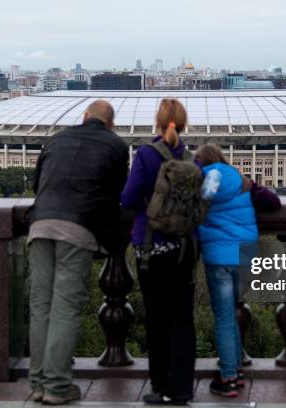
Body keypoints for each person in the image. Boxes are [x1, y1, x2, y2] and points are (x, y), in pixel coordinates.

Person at [27, 100, 129, 405]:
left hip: (40, 225)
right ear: (110, 124)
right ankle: (57, 387)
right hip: (78, 228)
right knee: (66, 307)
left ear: (84, 117)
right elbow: (116, 194)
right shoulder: (115, 145)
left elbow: (37, 184)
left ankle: (37, 383)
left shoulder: (56, 139)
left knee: (40, 306)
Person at [121, 98, 197, 406]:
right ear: (182, 123)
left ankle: (160, 387)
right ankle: (181, 388)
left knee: (157, 318)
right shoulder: (192, 158)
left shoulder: (146, 155)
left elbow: (127, 198)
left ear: (158, 122)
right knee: (182, 318)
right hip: (185, 248)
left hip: (151, 248)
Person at [195, 144, 281, 397]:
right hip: (244, 256)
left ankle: (228, 377)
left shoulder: (207, 179)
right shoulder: (242, 180)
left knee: (223, 318)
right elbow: (272, 202)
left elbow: (197, 207)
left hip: (218, 258)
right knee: (231, 314)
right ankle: (237, 371)